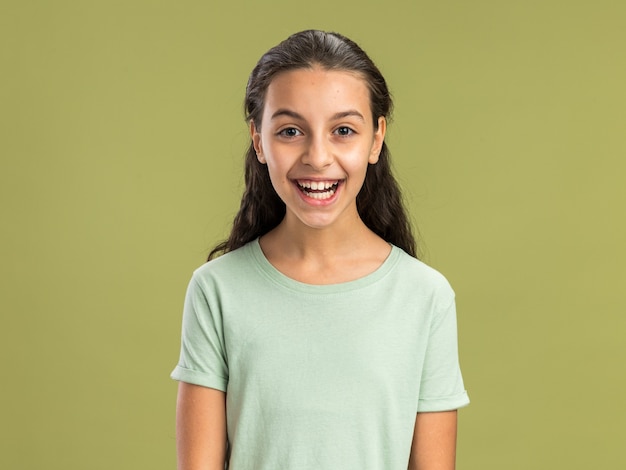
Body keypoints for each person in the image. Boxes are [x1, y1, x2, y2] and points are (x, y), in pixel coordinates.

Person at [171, 29, 469, 470]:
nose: (318, 156)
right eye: (291, 131)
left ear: (376, 138)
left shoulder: (426, 297)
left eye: (343, 130)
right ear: (258, 140)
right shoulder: (217, 290)